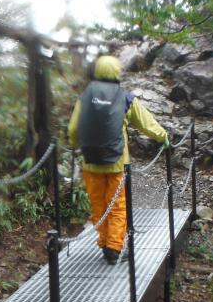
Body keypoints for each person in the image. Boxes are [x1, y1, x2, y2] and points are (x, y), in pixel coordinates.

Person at [68, 54, 169, 264]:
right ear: (117, 72)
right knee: (117, 205)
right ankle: (113, 248)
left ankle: (104, 241)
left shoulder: (85, 97)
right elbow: (146, 123)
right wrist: (163, 136)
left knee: (98, 204)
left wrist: (75, 144)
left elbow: (74, 129)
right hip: (117, 163)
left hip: (90, 162)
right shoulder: (125, 98)